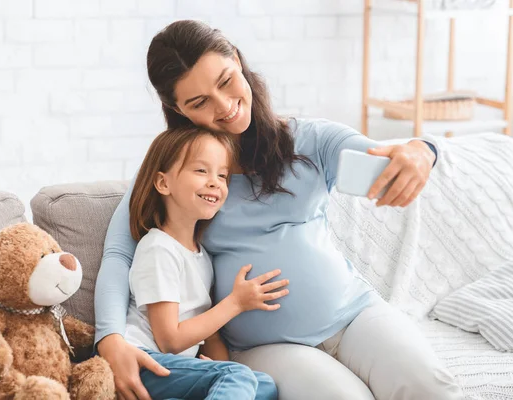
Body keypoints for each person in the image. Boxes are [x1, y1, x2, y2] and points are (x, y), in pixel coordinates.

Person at [95, 20, 465, 400]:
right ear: (177, 109)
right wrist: (109, 338)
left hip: (353, 313)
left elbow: (385, 161)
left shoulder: (310, 140)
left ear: (237, 60)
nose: (224, 107)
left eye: (225, 81)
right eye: (199, 102)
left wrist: (423, 151)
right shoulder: (178, 173)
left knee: (431, 386)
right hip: (265, 347)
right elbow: (121, 251)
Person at [124, 126, 283, 399]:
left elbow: (211, 337)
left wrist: (219, 368)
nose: (215, 182)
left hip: (178, 368)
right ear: (163, 183)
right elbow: (169, 339)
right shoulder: (158, 249)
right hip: (143, 363)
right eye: (201, 171)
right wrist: (235, 303)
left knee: (264, 385)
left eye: (222, 175)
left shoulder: (202, 255)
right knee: (238, 377)